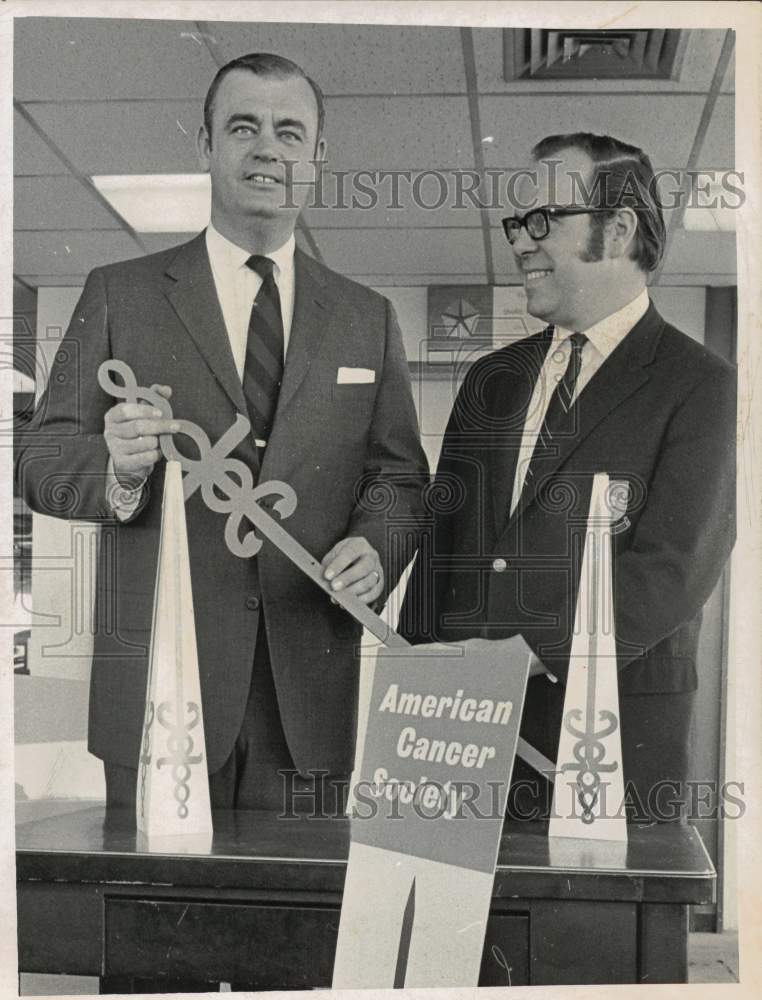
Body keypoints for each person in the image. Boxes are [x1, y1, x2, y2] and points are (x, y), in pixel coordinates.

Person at [17, 53, 428, 822]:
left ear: (317, 157)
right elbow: (38, 458)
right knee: (143, 925)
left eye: (288, 131)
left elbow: (400, 479)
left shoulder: (367, 317)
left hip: (308, 695)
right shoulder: (121, 293)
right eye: (243, 127)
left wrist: (378, 547)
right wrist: (117, 470)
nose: (266, 148)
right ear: (205, 146)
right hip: (155, 690)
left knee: (297, 935)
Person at [400, 132, 736, 823]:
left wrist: (528, 652)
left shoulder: (704, 386)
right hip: (461, 734)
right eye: (519, 223)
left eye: (544, 220)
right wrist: (413, 684)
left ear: (617, 230)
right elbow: (442, 547)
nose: (522, 242)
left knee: (590, 933)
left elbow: (674, 568)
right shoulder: (492, 380)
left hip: (611, 741)